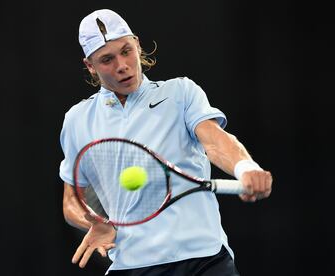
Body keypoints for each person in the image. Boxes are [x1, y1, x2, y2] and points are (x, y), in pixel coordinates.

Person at [59, 9, 272, 276]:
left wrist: (245, 168)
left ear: (137, 44)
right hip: (131, 265)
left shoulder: (181, 92)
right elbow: (71, 200)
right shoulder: (77, 120)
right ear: (90, 66)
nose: (122, 65)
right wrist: (95, 221)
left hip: (203, 259)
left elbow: (216, 142)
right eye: (107, 59)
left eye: (126, 50)